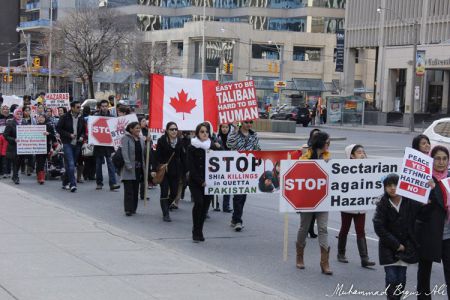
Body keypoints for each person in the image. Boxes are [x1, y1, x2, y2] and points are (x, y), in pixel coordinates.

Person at [373, 174, 421, 300]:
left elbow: (423, 211)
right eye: (389, 185)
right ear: (385, 188)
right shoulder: (382, 204)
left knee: (401, 279)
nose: (393, 188)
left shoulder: (409, 201)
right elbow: (379, 227)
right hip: (388, 248)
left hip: (405, 247)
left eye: (396, 185)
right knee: (391, 278)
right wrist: (396, 244)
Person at [415, 145, 450, 299]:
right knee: (424, 273)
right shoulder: (424, 179)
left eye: (444, 158)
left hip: (448, 236)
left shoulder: (449, 179)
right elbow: (419, 211)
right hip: (428, 234)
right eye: (437, 158)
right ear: (431, 160)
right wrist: (434, 191)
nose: (441, 162)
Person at [295, 131, 332, 275]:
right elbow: (300, 172)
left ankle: (325, 262)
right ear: (321, 143)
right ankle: (299, 256)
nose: (329, 145)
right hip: (307, 199)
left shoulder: (328, 157)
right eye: (327, 142)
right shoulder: (306, 156)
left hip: (322, 199)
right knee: (304, 227)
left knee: (323, 228)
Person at [337, 144, 376, 267]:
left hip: (361, 206)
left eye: (363, 152)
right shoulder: (345, 169)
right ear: (352, 156)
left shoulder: (368, 168)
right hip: (348, 205)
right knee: (345, 228)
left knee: (361, 231)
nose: (362, 154)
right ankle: (341, 253)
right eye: (359, 152)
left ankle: (364, 258)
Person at [188, 122, 220, 242]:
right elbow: (191, 167)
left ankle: (200, 230)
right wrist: (201, 181)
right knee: (199, 203)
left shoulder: (212, 145)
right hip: (196, 182)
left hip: (210, 182)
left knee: (205, 207)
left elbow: (223, 158)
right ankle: (195, 230)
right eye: (202, 132)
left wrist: (218, 146)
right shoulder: (192, 147)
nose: (205, 134)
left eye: (206, 131)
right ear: (197, 133)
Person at [227, 119, 260, 232]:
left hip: (248, 169)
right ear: (242, 123)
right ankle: (237, 220)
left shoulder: (254, 135)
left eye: (250, 122)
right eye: (246, 122)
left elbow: (257, 149)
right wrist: (235, 131)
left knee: (243, 196)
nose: (249, 124)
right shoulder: (236, 133)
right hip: (236, 168)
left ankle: (234, 218)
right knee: (238, 195)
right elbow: (229, 144)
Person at [153, 122, 184, 222]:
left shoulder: (180, 141)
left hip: (175, 171)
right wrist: (153, 169)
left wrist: (185, 170)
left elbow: (183, 157)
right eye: (172, 129)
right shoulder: (162, 141)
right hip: (164, 171)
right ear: (167, 130)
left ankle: (166, 205)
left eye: (175, 129)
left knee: (174, 193)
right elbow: (156, 156)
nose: (174, 131)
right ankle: (165, 214)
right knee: (164, 192)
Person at [56, 101, 86, 192]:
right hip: (67, 143)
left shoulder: (81, 118)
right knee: (71, 164)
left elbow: (84, 130)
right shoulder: (64, 117)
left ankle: (65, 182)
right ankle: (73, 184)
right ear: (72, 108)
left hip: (77, 144)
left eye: (80, 107)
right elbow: (58, 128)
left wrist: (81, 136)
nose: (79, 109)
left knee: (71, 165)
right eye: (77, 107)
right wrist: (69, 135)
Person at [94, 100, 120, 191]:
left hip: (109, 146)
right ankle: (99, 183)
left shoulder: (112, 118)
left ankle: (112, 184)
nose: (104, 108)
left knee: (111, 164)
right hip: (99, 145)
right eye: (103, 106)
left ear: (108, 107)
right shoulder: (96, 117)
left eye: (106, 106)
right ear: (100, 107)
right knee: (98, 165)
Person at [121, 122, 145, 216]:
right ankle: (128, 209)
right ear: (131, 129)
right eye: (136, 128)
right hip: (129, 168)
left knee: (135, 189)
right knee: (129, 190)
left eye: (139, 128)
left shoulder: (141, 140)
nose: (138, 130)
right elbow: (124, 152)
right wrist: (128, 165)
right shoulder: (125, 138)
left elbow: (143, 153)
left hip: (138, 168)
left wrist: (148, 142)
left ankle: (134, 208)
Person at [301, 128, 321, 239]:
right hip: (308, 183)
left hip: (318, 183)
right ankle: (305, 229)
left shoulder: (323, 151)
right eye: (314, 136)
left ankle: (311, 229)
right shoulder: (307, 149)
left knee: (316, 209)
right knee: (307, 210)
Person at [3, 108, 24, 184]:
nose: (19, 115)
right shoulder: (10, 123)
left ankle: (14, 175)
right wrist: (14, 139)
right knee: (15, 161)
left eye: (20, 114)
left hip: (23, 147)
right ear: (15, 114)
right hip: (13, 146)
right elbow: (5, 135)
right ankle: (16, 177)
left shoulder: (24, 122)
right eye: (17, 114)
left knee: (20, 161)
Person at [35, 113, 55, 184]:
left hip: (45, 147)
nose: (40, 119)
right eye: (39, 117)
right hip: (36, 147)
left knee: (42, 161)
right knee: (39, 161)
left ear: (45, 118)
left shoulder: (49, 126)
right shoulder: (35, 127)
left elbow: (54, 137)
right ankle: (39, 176)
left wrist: (48, 134)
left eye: (42, 117)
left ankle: (41, 177)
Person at [217, 123, 233, 212]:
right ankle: (216, 204)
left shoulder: (232, 138)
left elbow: (239, 126)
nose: (224, 129)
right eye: (223, 127)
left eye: (226, 127)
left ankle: (226, 206)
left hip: (228, 164)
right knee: (215, 185)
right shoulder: (217, 137)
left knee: (228, 185)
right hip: (218, 165)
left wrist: (237, 124)